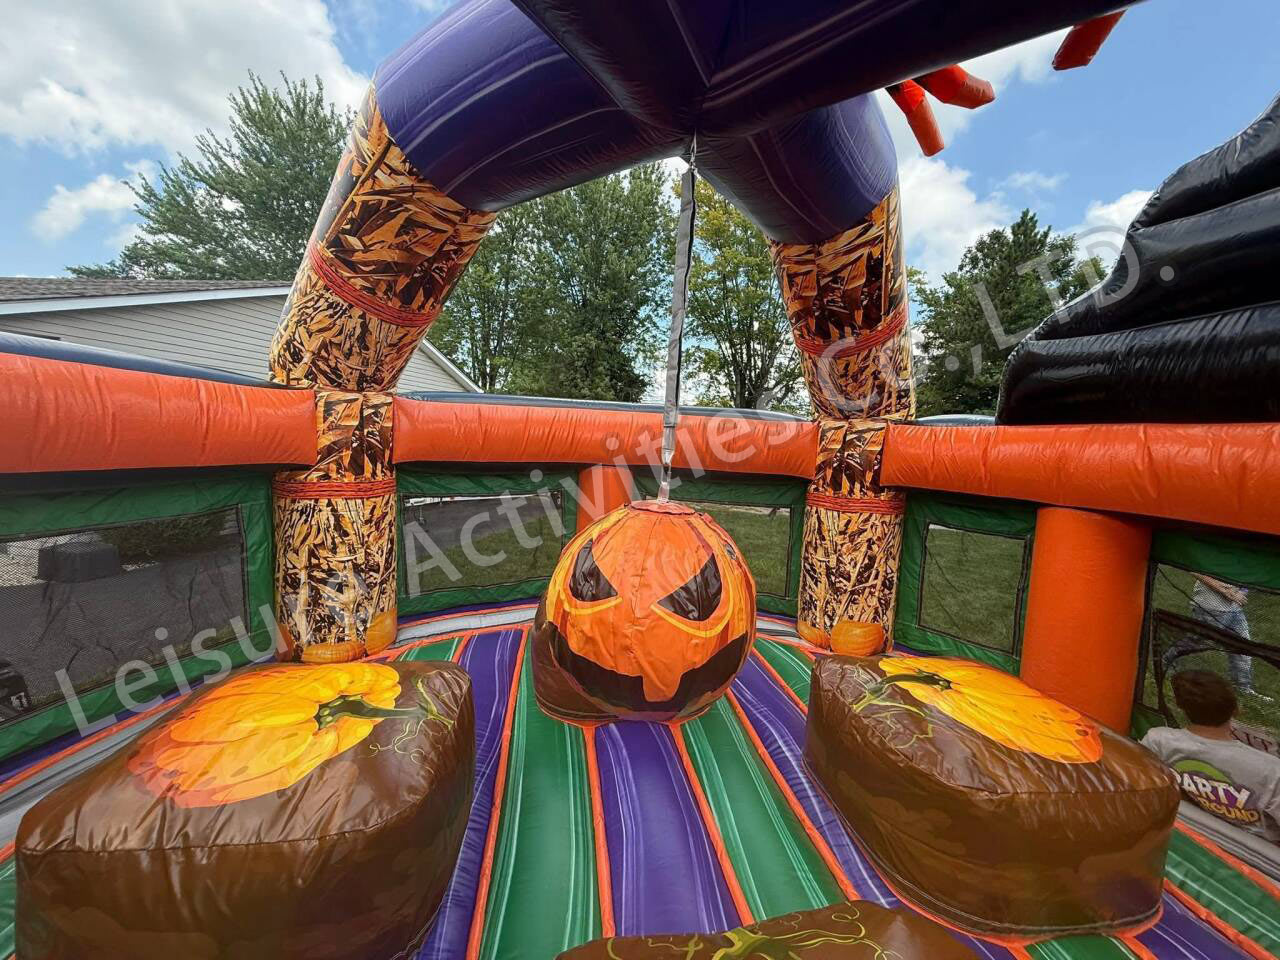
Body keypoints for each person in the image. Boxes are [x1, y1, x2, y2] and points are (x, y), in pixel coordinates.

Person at [1142, 670, 1280, 843]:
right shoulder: (1271, 770)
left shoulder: (1157, 740)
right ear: (1236, 710)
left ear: (1181, 707)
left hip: (1182, 832)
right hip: (1252, 852)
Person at [1188, 574, 1271, 702]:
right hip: (1210, 607)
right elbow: (1195, 570)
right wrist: (1225, 591)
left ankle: (1242, 688)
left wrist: (1243, 591)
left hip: (1234, 608)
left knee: (1243, 647)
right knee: (1197, 643)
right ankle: (1166, 662)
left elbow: (1250, 575)